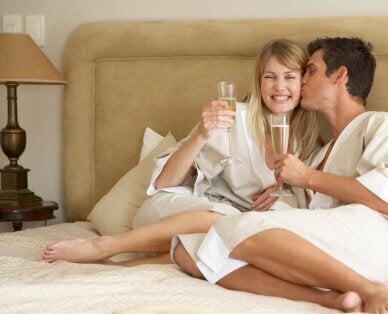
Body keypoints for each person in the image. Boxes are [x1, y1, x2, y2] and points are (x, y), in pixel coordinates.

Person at [172, 37, 388, 313]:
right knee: (187, 251)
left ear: (340, 75)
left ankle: (373, 291)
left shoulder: (380, 124)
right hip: (329, 253)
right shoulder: (317, 153)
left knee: (235, 228)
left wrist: (307, 178)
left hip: (376, 241)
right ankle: (332, 299)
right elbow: (306, 210)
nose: (301, 82)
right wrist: (279, 195)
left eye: (310, 71)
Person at [39, 38, 320, 266]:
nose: (280, 87)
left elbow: (308, 197)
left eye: (289, 77)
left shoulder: (309, 140)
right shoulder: (232, 117)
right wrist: (202, 134)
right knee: (226, 222)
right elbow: (165, 183)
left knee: (244, 236)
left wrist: (283, 186)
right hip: (181, 212)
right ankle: (105, 245)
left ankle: (129, 268)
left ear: (303, 83)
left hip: (230, 229)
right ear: (259, 83)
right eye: (270, 77)